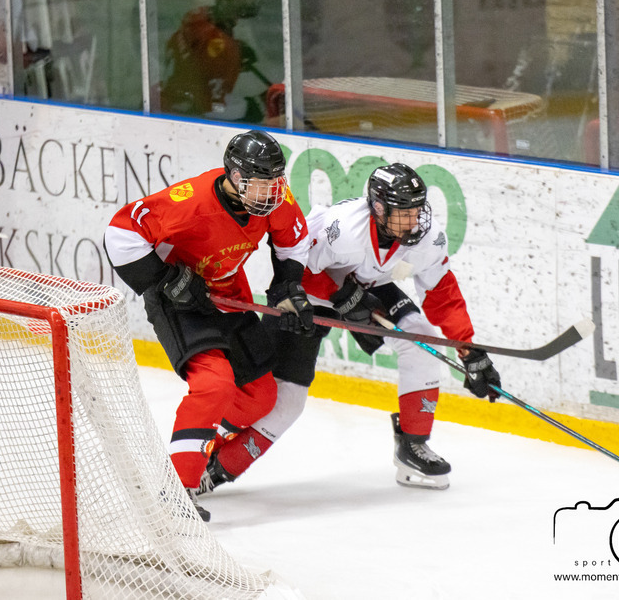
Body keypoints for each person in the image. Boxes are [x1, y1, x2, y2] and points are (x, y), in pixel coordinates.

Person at [200, 163, 502, 493]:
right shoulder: (340, 228)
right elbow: (293, 269)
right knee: (285, 403)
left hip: (366, 286)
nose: (415, 220)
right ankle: (210, 469)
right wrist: (339, 294)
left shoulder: (424, 237)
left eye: (418, 210)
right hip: (307, 298)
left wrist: (468, 349)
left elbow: (441, 290)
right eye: (405, 213)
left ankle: (412, 445)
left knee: (422, 337)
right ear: (378, 208)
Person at [103, 130, 314, 520]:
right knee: (214, 384)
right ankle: (176, 488)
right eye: (260, 182)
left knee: (259, 395)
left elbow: (292, 241)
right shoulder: (191, 201)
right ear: (234, 176)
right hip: (177, 302)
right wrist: (165, 279)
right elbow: (121, 231)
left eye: (275, 181)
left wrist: (287, 287)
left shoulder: (277, 200)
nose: (271, 192)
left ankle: (198, 447)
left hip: (227, 293)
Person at [159, 0, 267, 123]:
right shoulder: (219, 45)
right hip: (182, 124)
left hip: (173, 109)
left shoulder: (199, 17)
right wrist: (260, 109)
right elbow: (214, 110)